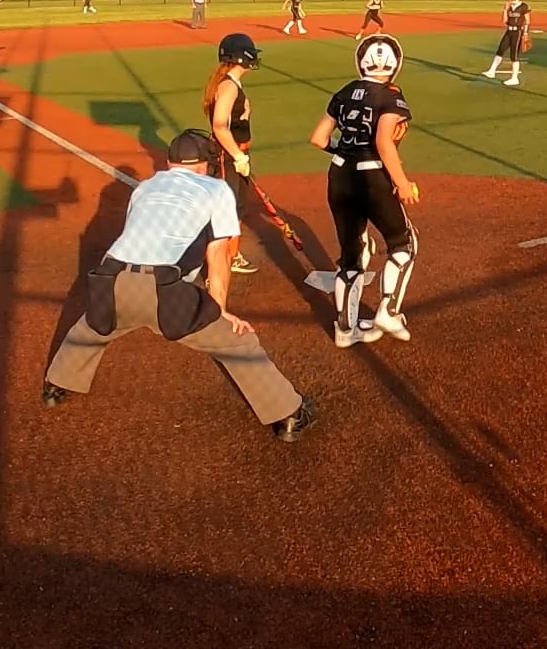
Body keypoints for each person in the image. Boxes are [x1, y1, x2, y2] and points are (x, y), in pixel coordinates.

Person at [41, 129, 316, 442]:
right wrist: (218, 311)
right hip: (161, 291)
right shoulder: (217, 189)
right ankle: (289, 415)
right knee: (238, 343)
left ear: (171, 162)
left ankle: (55, 386)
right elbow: (219, 255)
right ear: (204, 164)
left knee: (90, 328)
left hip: (110, 279)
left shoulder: (145, 187)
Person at [310, 34, 421, 347]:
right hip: (372, 178)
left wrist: (344, 150)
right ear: (395, 64)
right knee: (404, 243)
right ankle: (388, 311)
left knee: (352, 255)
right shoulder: (391, 96)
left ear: (361, 61)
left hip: (339, 174)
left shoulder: (345, 91)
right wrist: (402, 183)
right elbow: (383, 142)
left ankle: (345, 331)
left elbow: (318, 139)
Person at [205, 33, 263, 276]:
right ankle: (218, 264)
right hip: (228, 156)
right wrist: (238, 156)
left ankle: (232, 255)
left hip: (236, 154)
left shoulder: (231, 83)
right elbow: (219, 125)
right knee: (226, 211)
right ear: (241, 57)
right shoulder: (228, 86)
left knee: (236, 207)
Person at [481, 0, 530, 87]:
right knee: (500, 50)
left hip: (517, 32)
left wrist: (525, 33)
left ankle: (514, 78)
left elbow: (527, 21)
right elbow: (505, 21)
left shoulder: (524, 6)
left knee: (514, 55)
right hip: (509, 31)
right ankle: (492, 71)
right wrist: (505, 10)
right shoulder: (509, 6)